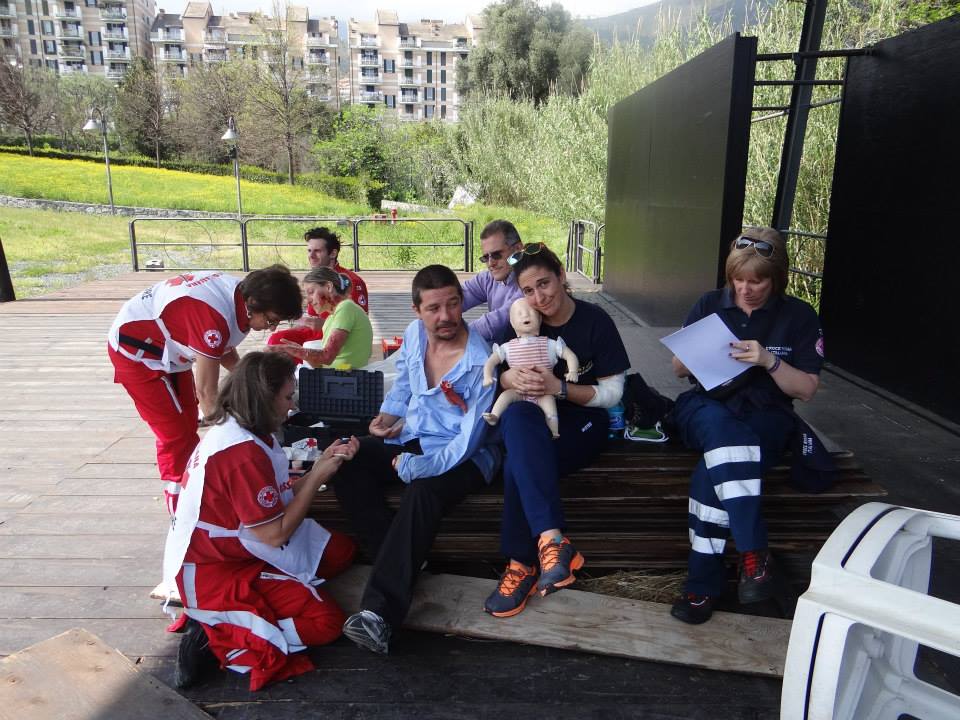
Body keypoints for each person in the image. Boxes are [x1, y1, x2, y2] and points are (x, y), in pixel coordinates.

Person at [162, 351, 360, 691]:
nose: (292, 405)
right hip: (219, 568)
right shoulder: (241, 454)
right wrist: (315, 479)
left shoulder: (245, 429)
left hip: (235, 545)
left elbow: (274, 494)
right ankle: (219, 635)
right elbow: (273, 534)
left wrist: (319, 466)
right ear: (264, 398)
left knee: (341, 552)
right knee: (326, 622)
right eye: (287, 396)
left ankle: (257, 610)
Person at [332, 264, 499, 654]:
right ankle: (402, 557)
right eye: (434, 308)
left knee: (422, 491)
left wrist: (418, 466)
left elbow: (470, 439)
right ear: (416, 311)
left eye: (453, 305)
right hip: (416, 437)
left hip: (467, 456)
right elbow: (405, 385)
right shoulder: (412, 336)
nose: (446, 317)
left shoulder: (482, 361)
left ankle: (379, 615)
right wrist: (386, 418)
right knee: (347, 457)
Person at [668, 227, 824, 625]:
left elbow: (805, 389)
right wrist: (700, 353)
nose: (746, 289)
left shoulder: (799, 316)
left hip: (766, 416)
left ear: (778, 279)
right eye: (738, 280)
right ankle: (755, 556)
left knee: (711, 474)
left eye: (758, 281)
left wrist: (768, 361)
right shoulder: (709, 303)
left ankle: (701, 589)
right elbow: (677, 369)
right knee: (726, 437)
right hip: (707, 406)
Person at [483, 244, 631, 618]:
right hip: (530, 419)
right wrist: (505, 375)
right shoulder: (522, 318)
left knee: (520, 462)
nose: (539, 298)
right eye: (528, 290)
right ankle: (552, 541)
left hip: (583, 420)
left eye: (544, 284)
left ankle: (522, 565)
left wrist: (559, 388)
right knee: (516, 424)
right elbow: (497, 366)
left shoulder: (595, 320)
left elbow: (613, 392)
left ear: (562, 276)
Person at [108, 266, 303, 514]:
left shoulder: (238, 295)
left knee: (187, 420)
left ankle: (196, 491)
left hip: (169, 347)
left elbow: (224, 349)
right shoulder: (211, 317)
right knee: (176, 433)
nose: (272, 328)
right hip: (137, 355)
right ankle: (181, 507)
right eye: (271, 320)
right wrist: (234, 445)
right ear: (253, 303)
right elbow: (207, 394)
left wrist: (260, 386)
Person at [267, 227, 370, 347]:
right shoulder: (314, 279)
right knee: (276, 341)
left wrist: (323, 324)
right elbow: (312, 320)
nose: (311, 255)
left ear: (333, 253)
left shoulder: (351, 282)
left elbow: (360, 325)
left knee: (284, 347)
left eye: (317, 251)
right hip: (318, 335)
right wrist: (277, 317)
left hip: (340, 339)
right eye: (309, 250)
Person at [273, 267, 374, 369]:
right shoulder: (331, 318)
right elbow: (321, 366)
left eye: (311, 292)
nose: (308, 301)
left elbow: (327, 357)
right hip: (336, 377)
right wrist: (299, 350)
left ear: (329, 287)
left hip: (348, 380)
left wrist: (296, 351)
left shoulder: (346, 307)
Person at [462, 219, 524, 342]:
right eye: (486, 257)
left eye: (497, 255)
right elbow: (456, 298)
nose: (491, 263)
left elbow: (495, 322)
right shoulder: (488, 278)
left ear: (518, 249)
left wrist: (455, 338)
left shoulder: (530, 280)